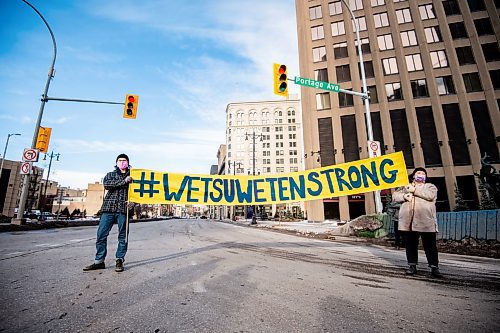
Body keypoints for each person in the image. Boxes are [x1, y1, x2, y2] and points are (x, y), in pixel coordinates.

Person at [83, 154, 133, 273]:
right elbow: (108, 185)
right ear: (116, 162)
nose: (122, 162)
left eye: (124, 160)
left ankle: (119, 259)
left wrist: (134, 203)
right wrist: (124, 181)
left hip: (123, 209)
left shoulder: (134, 176)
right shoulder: (110, 175)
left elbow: (139, 192)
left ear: (128, 162)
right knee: (101, 235)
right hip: (108, 209)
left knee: (123, 236)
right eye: (120, 160)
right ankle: (99, 261)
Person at [392, 167, 443, 278]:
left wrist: (414, 190)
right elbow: (394, 196)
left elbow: (430, 196)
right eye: (418, 173)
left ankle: (434, 267)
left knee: (430, 245)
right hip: (409, 221)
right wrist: (404, 196)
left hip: (426, 221)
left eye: (423, 173)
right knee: (410, 245)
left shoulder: (430, 186)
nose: (420, 175)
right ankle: (412, 266)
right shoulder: (405, 186)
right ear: (413, 176)